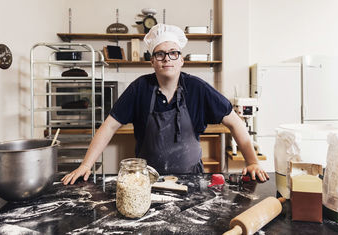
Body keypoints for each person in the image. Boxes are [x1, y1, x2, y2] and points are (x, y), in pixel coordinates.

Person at [62, 23, 269, 185]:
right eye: (160, 54)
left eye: (173, 53)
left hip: (192, 181)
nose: (166, 58)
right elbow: (109, 126)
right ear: (152, 61)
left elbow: (235, 122)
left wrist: (252, 162)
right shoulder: (139, 89)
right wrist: (86, 165)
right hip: (146, 181)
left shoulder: (197, 88)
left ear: (181, 60)